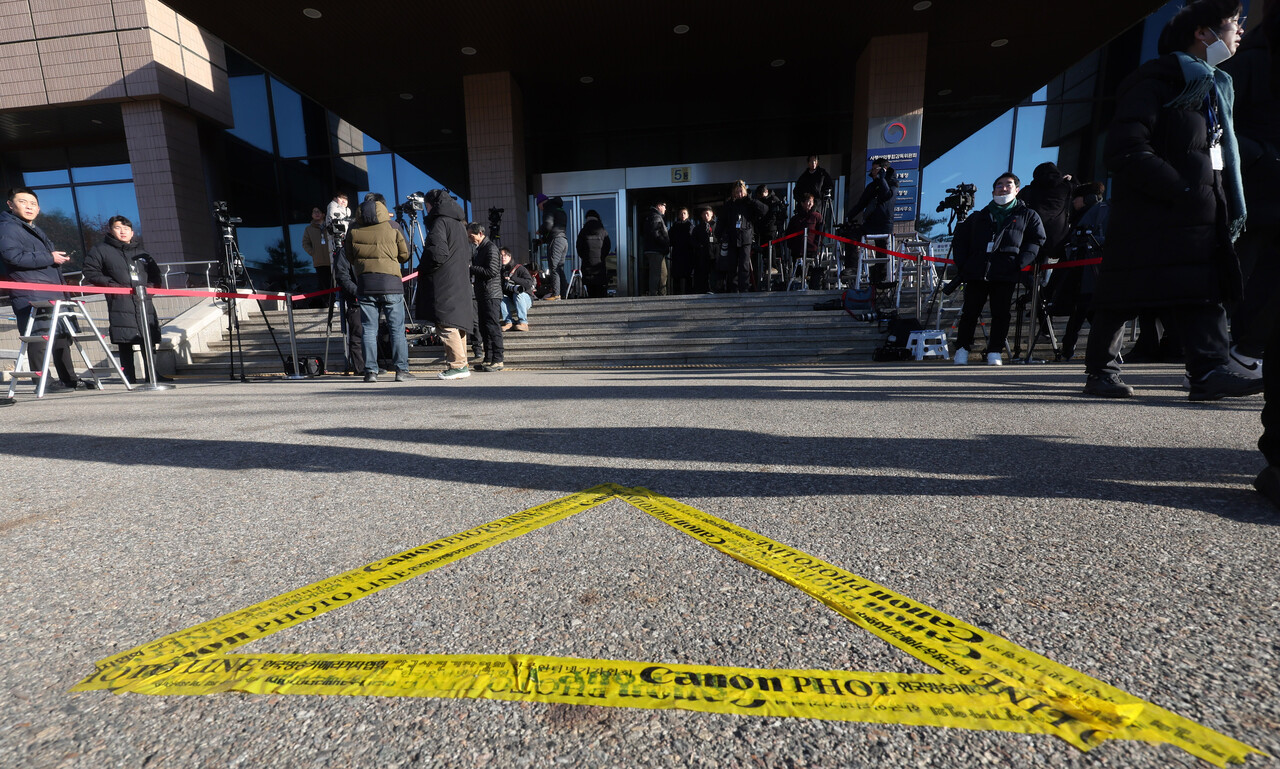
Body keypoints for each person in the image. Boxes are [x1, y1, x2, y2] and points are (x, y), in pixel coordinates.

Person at [1083, 0, 1258, 400]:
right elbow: (1125, 149)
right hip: (1155, 212)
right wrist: (1180, 188)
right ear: (1202, 32)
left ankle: (1208, 372)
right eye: (1234, 23)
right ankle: (1101, 371)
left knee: (1203, 289)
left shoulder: (1213, 88)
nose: (1240, 31)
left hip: (1198, 212)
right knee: (1123, 292)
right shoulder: (1157, 82)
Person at [1222, 11, 1280, 381]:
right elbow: (1219, 124)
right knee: (1241, 278)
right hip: (1252, 194)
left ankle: (1247, 350)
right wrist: (1263, 154)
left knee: (1261, 280)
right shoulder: (1249, 64)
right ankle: (1235, 353)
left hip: (1266, 189)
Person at [951, 172, 1047, 366]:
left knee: (1001, 313)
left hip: (1006, 271)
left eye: (1008, 185)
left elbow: (1036, 241)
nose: (1003, 188)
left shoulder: (1027, 215)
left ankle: (995, 351)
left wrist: (1018, 263)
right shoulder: (980, 216)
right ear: (993, 189)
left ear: (1017, 190)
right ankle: (962, 350)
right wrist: (964, 265)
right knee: (969, 312)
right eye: (999, 185)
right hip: (977, 271)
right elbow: (960, 241)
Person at [0, 187, 86, 390]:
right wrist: (50, 257)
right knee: (40, 336)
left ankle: (69, 378)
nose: (29, 207)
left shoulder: (34, 229)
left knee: (61, 336)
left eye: (33, 204)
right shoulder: (8, 227)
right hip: (31, 291)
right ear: (10, 205)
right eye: (23, 202)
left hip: (51, 289)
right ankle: (43, 381)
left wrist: (55, 259)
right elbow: (12, 257)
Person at [82, 216, 170, 384]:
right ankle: (129, 375)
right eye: (118, 228)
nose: (123, 231)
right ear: (110, 230)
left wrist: (148, 291)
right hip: (120, 301)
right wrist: (112, 286)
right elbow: (90, 271)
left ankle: (153, 374)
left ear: (132, 232)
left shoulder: (141, 252)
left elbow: (155, 275)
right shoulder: (101, 249)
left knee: (148, 338)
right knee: (125, 340)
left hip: (144, 301)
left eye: (126, 229)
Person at [347, 196, 412, 383]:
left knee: (368, 329)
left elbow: (350, 256)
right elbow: (405, 254)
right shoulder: (393, 226)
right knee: (397, 329)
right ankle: (401, 370)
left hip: (366, 284)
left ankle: (371, 372)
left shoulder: (353, 228)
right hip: (391, 283)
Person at [417, 189, 474, 380]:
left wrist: (423, 266)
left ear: (433, 204)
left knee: (446, 324)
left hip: (444, 281)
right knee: (458, 323)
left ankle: (457, 366)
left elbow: (437, 253)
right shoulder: (459, 224)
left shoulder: (439, 222)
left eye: (427, 205)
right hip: (459, 279)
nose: (426, 209)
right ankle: (462, 363)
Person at [1054, 183, 1109, 361]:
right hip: (1080, 272)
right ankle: (1070, 349)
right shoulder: (1082, 215)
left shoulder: (1100, 212)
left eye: (1076, 199)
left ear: (1088, 199)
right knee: (1081, 312)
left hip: (1092, 273)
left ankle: (1101, 349)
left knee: (1085, 311)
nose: (1074, 203)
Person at [846, 158, 899, 282]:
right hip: (870, 223)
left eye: (876, 169)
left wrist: (882, 178)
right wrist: (849, 217)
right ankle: (852, 267)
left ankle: (881, 278)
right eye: (873, 169)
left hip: (884, 224)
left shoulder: (893, 183)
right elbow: (861, 204)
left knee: (882, 252)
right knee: (852, 236)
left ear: (883, 169)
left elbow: (886, 195)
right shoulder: (871, 186)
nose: (873, 172)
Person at [1017, 162, 1074, 264]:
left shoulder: (1029, 190)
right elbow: (1080, 191)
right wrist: (1072, 179)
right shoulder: (1066, 187)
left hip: (1033, 234)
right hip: (1058, 237)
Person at [716, 181, 769, 293]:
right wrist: (719, 235)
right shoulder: (729, 205)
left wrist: (749, 199)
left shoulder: (749, 203)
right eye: (737, 192)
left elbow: (764, 210)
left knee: (744, 265)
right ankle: (733, 290)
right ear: (733, 193)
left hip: (746, 238)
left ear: (744, 191)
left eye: (741, 191)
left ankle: (744, 290)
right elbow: (721, 221)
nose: (739, 194)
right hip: (732, 238)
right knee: (732, 266)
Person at [468, 222, 504, 372]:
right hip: (482, 293)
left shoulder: (490, 248)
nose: (470, 239)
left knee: (492, 326)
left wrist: (471, 268)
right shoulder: (480, 249)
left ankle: (498, 359)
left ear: (480, 234)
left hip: (491, 294)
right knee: (483, 327)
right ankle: (488, 359)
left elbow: (492, 271)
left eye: (472, 236)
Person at [330, 232, 363, 375]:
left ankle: (371, 365)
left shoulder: (365, 247)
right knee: (357, 334)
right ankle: (361, 368)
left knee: (371, 334)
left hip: (370, 297)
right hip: (355, 299)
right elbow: (342, 276)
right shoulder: (344, 252)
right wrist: (356, 291)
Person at [784, 193, 823, 288]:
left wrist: (817, 246)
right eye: (808, 202)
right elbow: (789, 233)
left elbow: (821, 233)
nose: (810, 204)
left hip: (811, 249)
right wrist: (792, 246)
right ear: (802, 203)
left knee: (812, 274)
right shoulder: (795, 218)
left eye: (812, 202)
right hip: (797, 250)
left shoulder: (817, 216)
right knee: (798, 275)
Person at [536, 194, 568, 300]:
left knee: (554, 267)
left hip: (556, 241)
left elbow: (548, 225)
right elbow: (555, 228)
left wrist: (540, 231)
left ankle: (556, 294)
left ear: (541, 203)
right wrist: (543, 240)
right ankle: (563, 293)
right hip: (563, 240)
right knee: (560, 268)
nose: (540, 209)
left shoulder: (548, 207)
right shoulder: (559, 209)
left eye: (539, 206)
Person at [576, 209, 611, 298]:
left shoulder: (583, 232)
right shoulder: (603, 231)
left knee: (591, 294)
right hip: (599, 267)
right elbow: (607, 247)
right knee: (601, 294)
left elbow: (579, 248)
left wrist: (585, 257)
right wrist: (601, 257)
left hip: (587, 266)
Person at [301, 206, 330, 305]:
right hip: (319, 261)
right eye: (314, 212)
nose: (316, 213)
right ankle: (328, 302)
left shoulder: (330, 225)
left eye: (319, 211)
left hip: (332, 259)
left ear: (323, 214)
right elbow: (305, 243)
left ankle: (339, 301)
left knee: (336, 281)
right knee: (324, 284)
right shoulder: (309, 229)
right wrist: (313, 253)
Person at [499, 247, 534, 331]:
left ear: (510, 257)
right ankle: (509, 322)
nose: (503, 257)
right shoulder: (499, 271)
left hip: (525, 300)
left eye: (505, 255)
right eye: (501, 255)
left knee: (518, 294)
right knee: (500, 297)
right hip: (511, 301)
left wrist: (513, 279)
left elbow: (529, 283)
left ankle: (523, 322)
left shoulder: (519, 268)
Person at [641, 200, 670, 296]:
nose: (665, 208)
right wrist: (665, 243)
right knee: (657, 273)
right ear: (659, 206)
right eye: (664, 206)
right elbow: (656, 233)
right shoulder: (656, 216)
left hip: (656, 250)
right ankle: (654, 295)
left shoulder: (653, 216)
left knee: (662, 274)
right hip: (655, 250)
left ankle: (661, 294)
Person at [668, 206, 695, 295]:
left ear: (688, 215)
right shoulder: (675, 226)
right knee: (676, 275)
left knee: (688, 276)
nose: (683, 215)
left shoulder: (691, 225)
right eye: (681, 213)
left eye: (684, 213)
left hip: (688, 254)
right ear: (678, 215)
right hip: (677, 254)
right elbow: (670, 239)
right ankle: (676, 294)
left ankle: (688, 294)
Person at [691, 206, 716, 293]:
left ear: (712, 214)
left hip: (714, 254)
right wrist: (700, 246)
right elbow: (693, 241)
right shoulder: (697, 228)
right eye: (704, 214)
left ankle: (714, 289)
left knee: (714, 273)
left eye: (707, 213)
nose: (706, 216)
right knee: (703, 274)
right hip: (702, 255)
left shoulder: (716, 226)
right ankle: (704, 289)